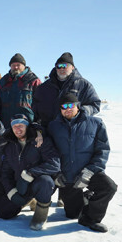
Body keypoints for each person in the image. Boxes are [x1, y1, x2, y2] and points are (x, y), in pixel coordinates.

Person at [48, 93, 117, 232]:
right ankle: (85, 197)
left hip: (89, 172)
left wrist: (89, 172)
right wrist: (56, 172)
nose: (68, 109)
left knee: (109, 187)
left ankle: (90, 219)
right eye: (64, 106)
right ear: (60, 109)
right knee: (72, 214)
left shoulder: (95, 124)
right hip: (66, 177)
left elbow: (102, 150)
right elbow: (48, 152)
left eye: (71, 105)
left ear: (78, 106)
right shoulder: (53, 126)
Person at [1, 114, 60, 230]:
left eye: (21, 125)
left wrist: (30, 173)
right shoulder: (9, 146)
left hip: (37, 185)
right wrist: (10, 191)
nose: (18, 129)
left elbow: (54, 164)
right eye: (15, 126)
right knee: (4, 212)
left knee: (46, 181)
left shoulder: (41, 141)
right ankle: (29, 201)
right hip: (20, 186)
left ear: (27, 126)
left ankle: (41, 215)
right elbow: (5, 172)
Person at [33, 52, 101, 129]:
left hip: (72, 131)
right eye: (59, 66)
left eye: (64, 66)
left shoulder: (84, 85)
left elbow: (95, 104)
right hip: (49, 131)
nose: (61, 68)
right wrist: (36, 127)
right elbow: (35, 109)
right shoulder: (43, 87)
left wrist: (80, 112)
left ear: (72, 67)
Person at [0, 53, 41, 128]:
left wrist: (37, 124)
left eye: (18, 65)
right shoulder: (3, 83)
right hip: (7, 125)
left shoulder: (33, 81)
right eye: (13, 65)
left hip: (28, 125)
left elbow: (41, 105)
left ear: (24, 66)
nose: (16, 67)